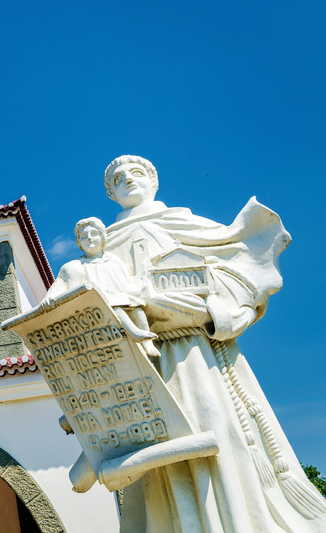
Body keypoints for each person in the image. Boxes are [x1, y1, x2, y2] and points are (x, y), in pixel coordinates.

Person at [101, 155, 325, 533]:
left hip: (197, 354)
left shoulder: (183, 224)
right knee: (161, 467)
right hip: (145, 366)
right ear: (110, 194)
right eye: (118, 179)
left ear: (154, 181)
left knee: (221, 439)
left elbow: (236, 271)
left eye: (136, 174)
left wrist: (215, 313)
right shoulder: (104, 245)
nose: (128, 181)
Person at [44, 216, 160, 358]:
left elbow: (126, 284)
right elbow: (59, 285)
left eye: (94, 234)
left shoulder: (113, 261)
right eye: (84, 236)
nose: (89, 238)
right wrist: (49, 297)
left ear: (102, 238)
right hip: (91, 308)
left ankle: (147, 342)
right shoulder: (72, 267)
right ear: (79, 242)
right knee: (111, 302)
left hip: (120, 301)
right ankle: (133, 331)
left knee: (136, 308)